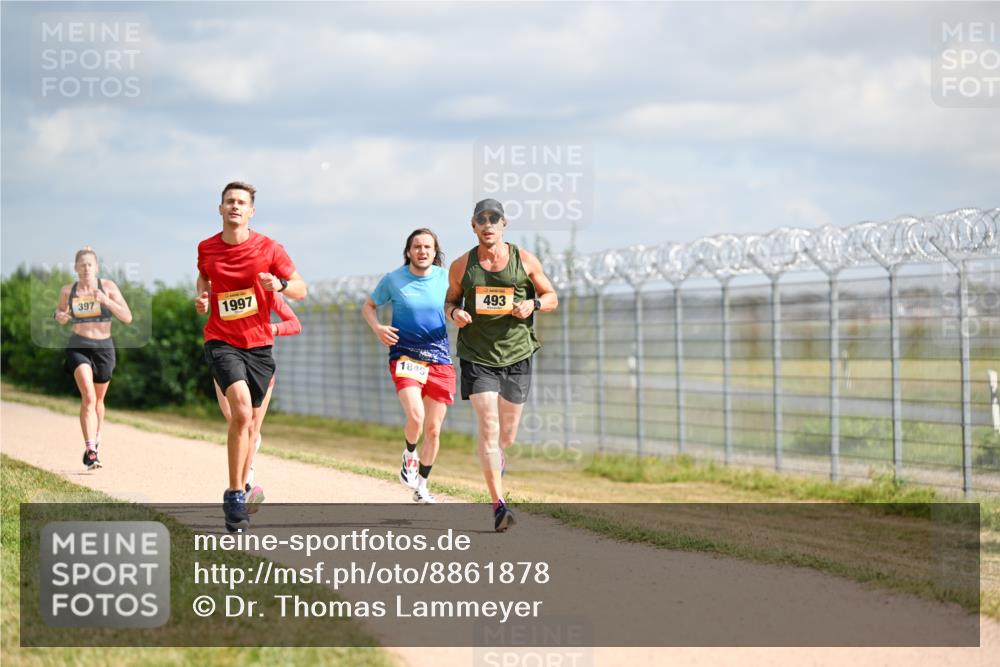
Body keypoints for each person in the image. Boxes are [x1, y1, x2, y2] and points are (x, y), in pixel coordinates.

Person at [195, 181, 307, 533]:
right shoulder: (206, 248)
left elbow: (301, 289)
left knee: (250, 424)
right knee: (241, 412)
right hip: (221, 340)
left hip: (258, 347)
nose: (235, 207)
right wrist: (203, 297)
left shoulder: (269, 248)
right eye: (229, 201)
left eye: (241, 202)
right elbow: (204, 277)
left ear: (251, 211)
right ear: (220, 208)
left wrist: (281, 285)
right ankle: (233, 494)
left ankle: (242, 490)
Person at [445, 199, 558, 531]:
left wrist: (533, 304)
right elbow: (449, 301)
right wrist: (455, 313)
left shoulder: (524, 260)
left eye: (494, 219)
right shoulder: (462, 266)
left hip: (517, 355)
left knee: (506, 435)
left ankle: (499, 457)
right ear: (473, 226)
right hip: (477, 355)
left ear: (503, 224)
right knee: (489, 425)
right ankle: (498, 505)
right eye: (482, 220)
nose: (488, 225)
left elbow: (552, 297)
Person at [363, 228, 455, 504]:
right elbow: (369, 306)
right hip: (406, 357)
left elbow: (456, 305)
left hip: (439, 358)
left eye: (428, 247)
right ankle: (410, 453)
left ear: (435, 252)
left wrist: (460, 313)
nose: (422, 251)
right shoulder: (394, 279)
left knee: (434, 429)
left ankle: (422, 486)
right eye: (417, 246)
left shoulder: (447, 278)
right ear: (408, 251)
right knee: (416, 417)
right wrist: (378, 328)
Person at [212, 292, 301, 513]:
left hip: (260, 366)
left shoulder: (267, 291)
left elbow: (294, 324)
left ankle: (244, 486)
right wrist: (203, 300)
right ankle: (243, 485)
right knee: (236, 421)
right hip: (228, 364)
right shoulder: (221, 287)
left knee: (251, 428)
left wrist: (270, 329)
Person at [54, 247, 133, 469]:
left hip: (104, 348)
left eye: (90, 264)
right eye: (82, 264)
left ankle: (96, 439)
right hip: (78, 346)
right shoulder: (68, 290)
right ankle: (90, 451)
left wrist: (106, 301)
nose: (86, 268)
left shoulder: (108, 287)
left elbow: (127, 317)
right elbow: (60, 313)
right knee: (88, 397)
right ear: (75, 268)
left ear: (96, 267)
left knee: (98, 400)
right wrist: (60, 316)